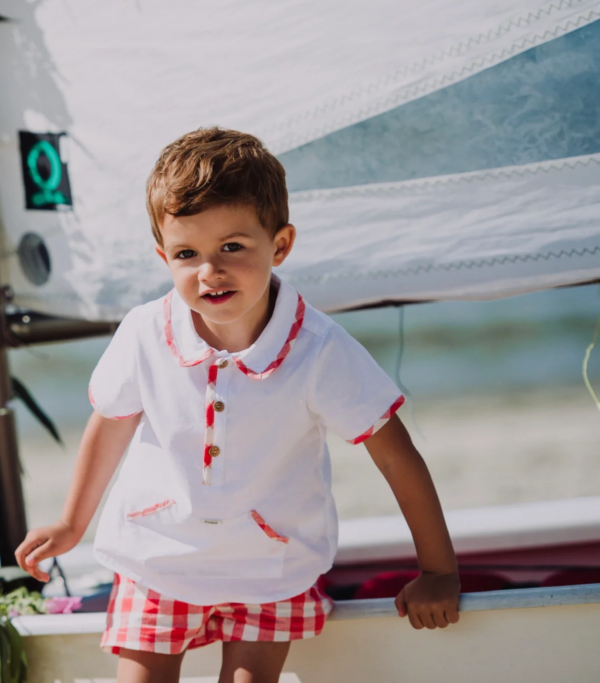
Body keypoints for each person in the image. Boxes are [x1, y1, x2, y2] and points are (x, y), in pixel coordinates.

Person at [15, 127, 460, 683]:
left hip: (270, 568)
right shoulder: (145, 333)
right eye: (187, 253)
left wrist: (439, 570)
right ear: (163, 256)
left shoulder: (318, 348)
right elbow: (111, 424)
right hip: (158, 557)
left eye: (232, 247)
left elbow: (396, 455)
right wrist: (70, 521)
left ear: (280, 245)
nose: (210, 271)